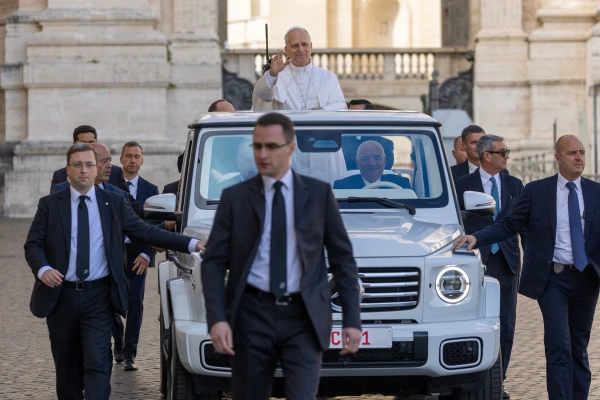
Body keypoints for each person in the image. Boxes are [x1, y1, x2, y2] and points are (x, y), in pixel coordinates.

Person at [24, 143, 206, 400]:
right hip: (61, 297)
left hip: (98, 298)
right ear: (68, 170)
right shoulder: (50, 205)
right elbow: (33, 244)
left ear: (96, 168)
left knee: (98, 365)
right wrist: (43, 269)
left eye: (89, 165)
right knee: (67, 371)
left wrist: (191, 242)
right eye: (77, 165)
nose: (84, 171)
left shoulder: (114, 202)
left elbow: (146, 232)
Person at [201, 112, 361, 399]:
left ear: (290, 147)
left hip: (304, 316)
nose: (262, 154)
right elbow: (213, 263)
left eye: (271, 146)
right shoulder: (234, 198)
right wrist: (217, 318)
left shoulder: (318, 194)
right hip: (251, 315)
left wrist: (352, 319)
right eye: (257, 145)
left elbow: (343, 260)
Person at [453, 134, 600, 400]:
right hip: (552, 280)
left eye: (582, 152)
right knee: (559, 345)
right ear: (558, 158)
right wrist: (477, 238)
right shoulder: (536, 191)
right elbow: (509, 224)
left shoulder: (595, 192)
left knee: (579, 346)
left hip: (586, 280)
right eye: (572, 153)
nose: (579, 158)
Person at [454, 135, 524, 400]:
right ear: (486, 156)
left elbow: (523, 225)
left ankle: (498, 383)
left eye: (507, 152)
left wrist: (530, 262)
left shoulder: (516, 185)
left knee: (505, 325)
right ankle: (467, 382)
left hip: (507, 262)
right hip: (475, 263)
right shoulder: (462, 185)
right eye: (502, 152)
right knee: (472, 322)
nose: (507, 156)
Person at [113, 141, 160, 371]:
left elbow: (156, 226)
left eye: (137, 156)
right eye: (128, 156)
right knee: (109, 301)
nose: (132, 160)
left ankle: (130, 353)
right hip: (113, 253)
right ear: (120, 159)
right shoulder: (110, 186)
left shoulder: (151, 190)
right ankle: (118, 340)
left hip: (138, 254)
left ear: (142, 160)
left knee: (135, 303)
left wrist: (146, 253)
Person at [253, 26, 347, 111]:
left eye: (304, 44)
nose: (300, 49)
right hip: (286, 128)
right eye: (295, 46)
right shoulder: (276, 76)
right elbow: (264, 96)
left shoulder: (327, 76)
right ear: (286, 50)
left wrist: (321, 111)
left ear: (311, 46)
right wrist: (273, 74)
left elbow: (341, 105)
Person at [50, 125, 120, 192]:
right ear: (74, 144)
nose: (88, 146)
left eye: (91, 142)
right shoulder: (60, 176)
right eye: (83, 143)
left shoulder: (115, 172)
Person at [333, 140, 410, 189]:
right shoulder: (342, 187)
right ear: (357, 162)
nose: (372, 163)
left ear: (384, 160)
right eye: (366, 158)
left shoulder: (402, 184)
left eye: (377, 158)